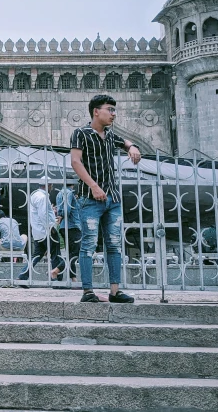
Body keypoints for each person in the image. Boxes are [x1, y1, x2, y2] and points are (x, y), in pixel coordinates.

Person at [71, 94, 141, 303]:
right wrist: (93, 186)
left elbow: (124, 141)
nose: (113, 114)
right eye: (109, 109)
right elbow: (76, 162)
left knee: (114, 244)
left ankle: (114, 291)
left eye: (114, 110)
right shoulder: (81, 133)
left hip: (113, 199)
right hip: (89, 199)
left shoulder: (110, 135)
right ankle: (88, 291)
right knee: (89, 245)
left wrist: (132, 147)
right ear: (96, 111)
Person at [18, 177, 65, 282]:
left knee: (36, 256)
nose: (52, 187)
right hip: (46, 231)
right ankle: (56, 279)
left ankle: (22, 276)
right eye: (51, 185)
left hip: (38, 232)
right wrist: (50, 227)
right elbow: (43, 214)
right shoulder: (42, 197)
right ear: (48, 185)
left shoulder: (34, 195)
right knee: (55, 254)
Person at [56, 182, 82, 282]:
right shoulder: (69, 193)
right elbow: (67, 209)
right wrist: (62, 215)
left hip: (64, 227)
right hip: (72, 226)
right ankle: (57, 269)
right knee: (75, 252)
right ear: (72, 185)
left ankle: (73, 278)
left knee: (71, 253)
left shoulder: (60, 193)